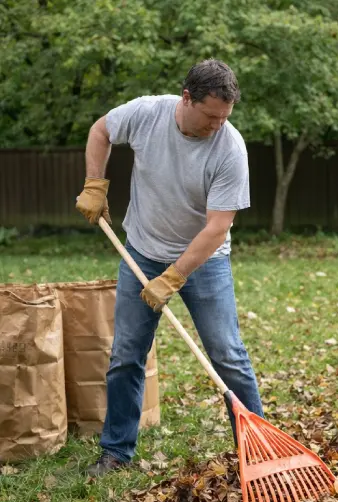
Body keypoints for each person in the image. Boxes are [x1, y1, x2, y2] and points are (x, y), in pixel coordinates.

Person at [75, 59, 264, 475]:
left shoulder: (230, 147)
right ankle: (116, 452)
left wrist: (176, 276)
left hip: (203, 261)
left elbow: (217, 227)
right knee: (126, 354)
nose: (217, 125)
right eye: (211, 115)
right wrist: (94, 183)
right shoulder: (147, 113)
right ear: (186, 98)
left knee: (227, 355)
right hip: (141, 250)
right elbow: (100, 130)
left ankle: (261, 455)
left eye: (224, 117)